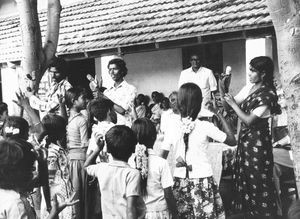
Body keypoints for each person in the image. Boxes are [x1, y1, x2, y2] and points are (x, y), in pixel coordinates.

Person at [160, 83, 236, 218]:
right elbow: (232, 140)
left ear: (179, 102)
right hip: (203, 182)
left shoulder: (171, 126)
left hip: (180, 181)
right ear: (199, 102)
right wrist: (218, 112)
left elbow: (161, 159)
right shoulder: (205, 126)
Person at [223, 56, 281, 218]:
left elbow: (249, 120)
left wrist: (234, 105)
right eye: (250, 70)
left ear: (263, 74)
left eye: (253, 71)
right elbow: (228, 104)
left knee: (259, 182)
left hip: (258, 145)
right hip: (246, 143)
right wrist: (224, 87)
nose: (249, 74)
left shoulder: (268, 94)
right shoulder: (250, 88)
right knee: (247, 181)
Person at [0, 139, 78, 219]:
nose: (33, 171)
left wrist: (42, 163)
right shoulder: (15, 205)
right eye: (30, 168)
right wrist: (53, 214)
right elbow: (40, 182)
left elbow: (41, 181)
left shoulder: (5, 192)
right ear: (19, 172)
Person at [84, 125, 144, 219]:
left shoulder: (102, 168)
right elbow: (130, 208)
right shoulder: (132, 174)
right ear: (133, 149)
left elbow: (86, 166)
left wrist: (98, 148)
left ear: (107, 149)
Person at [132, 118, 179, 219]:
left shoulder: (131, 162)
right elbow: (168, 194)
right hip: (160, 213)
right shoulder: (161, 163)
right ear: (154, 137)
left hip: (138, 213)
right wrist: (175, 214)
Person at [39, 114, 74, 219]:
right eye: (64, 129)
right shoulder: (51, 154)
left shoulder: (57, 148)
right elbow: (46, 182)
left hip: (64, 196)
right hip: (56, 200)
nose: (66, 131)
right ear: (57, 132)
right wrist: (50, 207)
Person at [65, 87, 89, 219]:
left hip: (68, 159)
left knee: (72, 193)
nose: (85, 101)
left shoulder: (66, 118)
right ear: (74, 101)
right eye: (83, 98)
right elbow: (85, 145)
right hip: (80, 160)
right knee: (81, 195)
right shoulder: (82, 120)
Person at [99, 58, 137, 126]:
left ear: (122, 71)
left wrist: (103, 97)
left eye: (115, 69)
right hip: (110, 129)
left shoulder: (130, 89)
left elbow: (122, 111)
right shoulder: (108, 91)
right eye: (110, 69)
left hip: (125, 128)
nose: (111, 72)